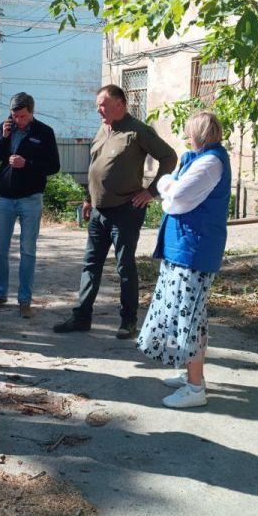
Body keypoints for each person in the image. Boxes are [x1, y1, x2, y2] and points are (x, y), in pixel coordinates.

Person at [53, 84, 177, 339]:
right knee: (90, 265)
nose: (98, 109)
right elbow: (95, 166)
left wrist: (151, 191)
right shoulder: (103, 129)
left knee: (125, 267)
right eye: (98, 105)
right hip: (98, 212)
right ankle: (81, 317)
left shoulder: (137, 131)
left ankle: (128, 321)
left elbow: (169, 157)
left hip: (125, 211)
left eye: (103, 105)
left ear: (119, 103)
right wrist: (88, 199)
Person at [136, 111, 231, 409]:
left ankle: (194, 388)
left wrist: (167, 186)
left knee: (189, 318)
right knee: (187, 315)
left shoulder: (209, 163)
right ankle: (192, 376)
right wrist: (169, 187)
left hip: (194, 250)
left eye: (190, 131)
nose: (186, 136)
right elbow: (173, 192)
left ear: (200, 134)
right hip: (185, 248)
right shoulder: (199, 159)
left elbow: (176, 198)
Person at [0, 92, 60, 318]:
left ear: (32, 112)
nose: (18, 120)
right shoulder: (5, 127)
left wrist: (27, 163)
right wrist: (3, 137)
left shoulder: (44, 132)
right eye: (15, 116)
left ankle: (24, 300)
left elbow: (53, 166)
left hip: (31, 199)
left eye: (23, 116)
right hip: (6, 198)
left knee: (27, 250)